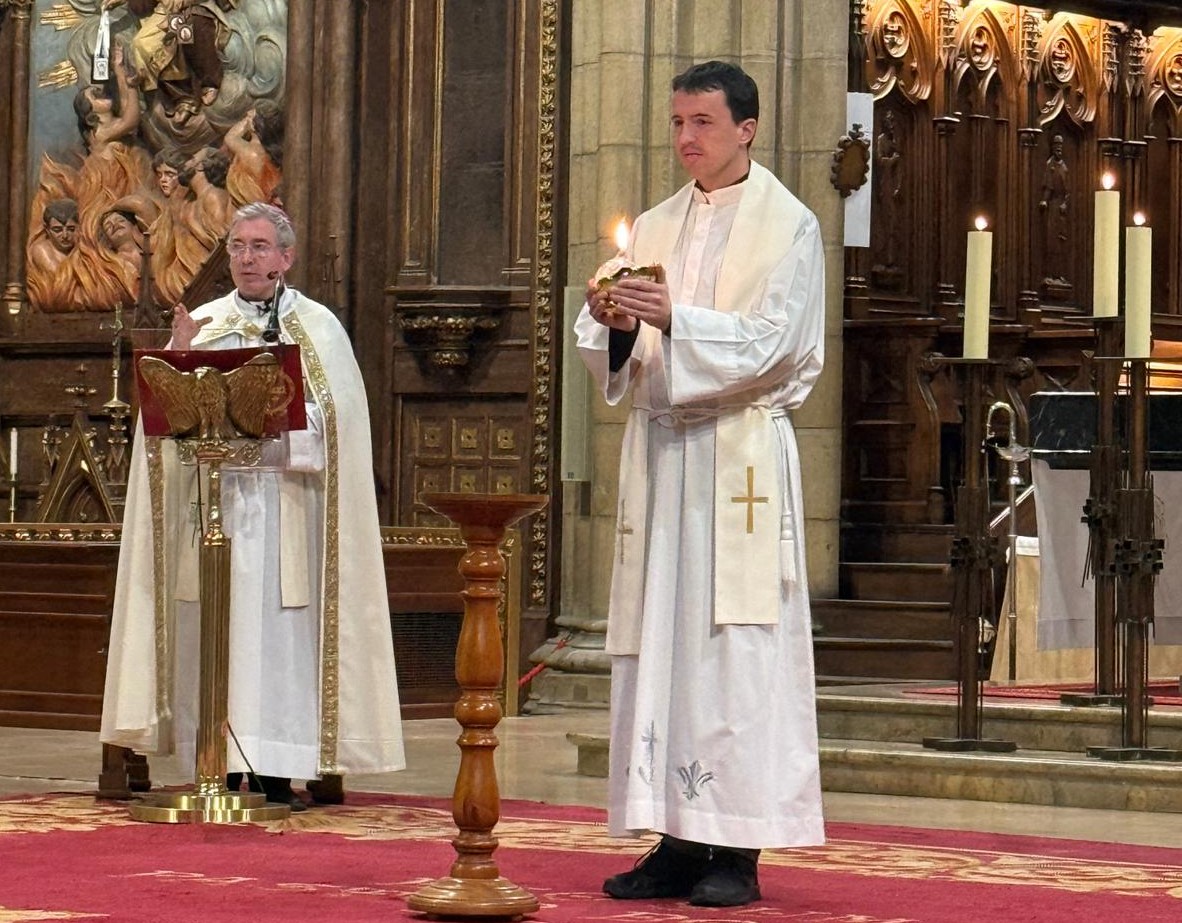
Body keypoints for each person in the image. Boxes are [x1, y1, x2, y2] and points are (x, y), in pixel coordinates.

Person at [576, 61, 826, 908]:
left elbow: (770, 345)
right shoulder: (655, 221)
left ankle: (737, 847)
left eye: (703, 124)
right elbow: (613, 346)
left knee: (733, 653)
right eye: (678, 122)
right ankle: (675, 836)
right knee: (665, 649)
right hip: (665, 459)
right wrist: (610, 321)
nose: (685, 139)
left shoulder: (788, 226)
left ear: (746, 129)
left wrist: (673, 317)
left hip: (739, 456)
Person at [100, 202, 405, 811]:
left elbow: (340, 426)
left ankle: (276, 768)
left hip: (285, 513)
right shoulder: (204, 323)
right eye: (238, 245)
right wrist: (176, 358)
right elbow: (159, 430)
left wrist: (274, 436)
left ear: (286, 257)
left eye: (260, 246)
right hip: (215, 511)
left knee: (279, 641)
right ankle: (218, 765)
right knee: (219, 631)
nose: (246, 256)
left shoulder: (317, 328)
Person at [28, 199, 80, 275]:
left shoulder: (83, 246)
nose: (65, 235)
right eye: (57, 230)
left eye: (71, 229)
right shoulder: (41, 250)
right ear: (47, 230)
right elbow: (62, 279)